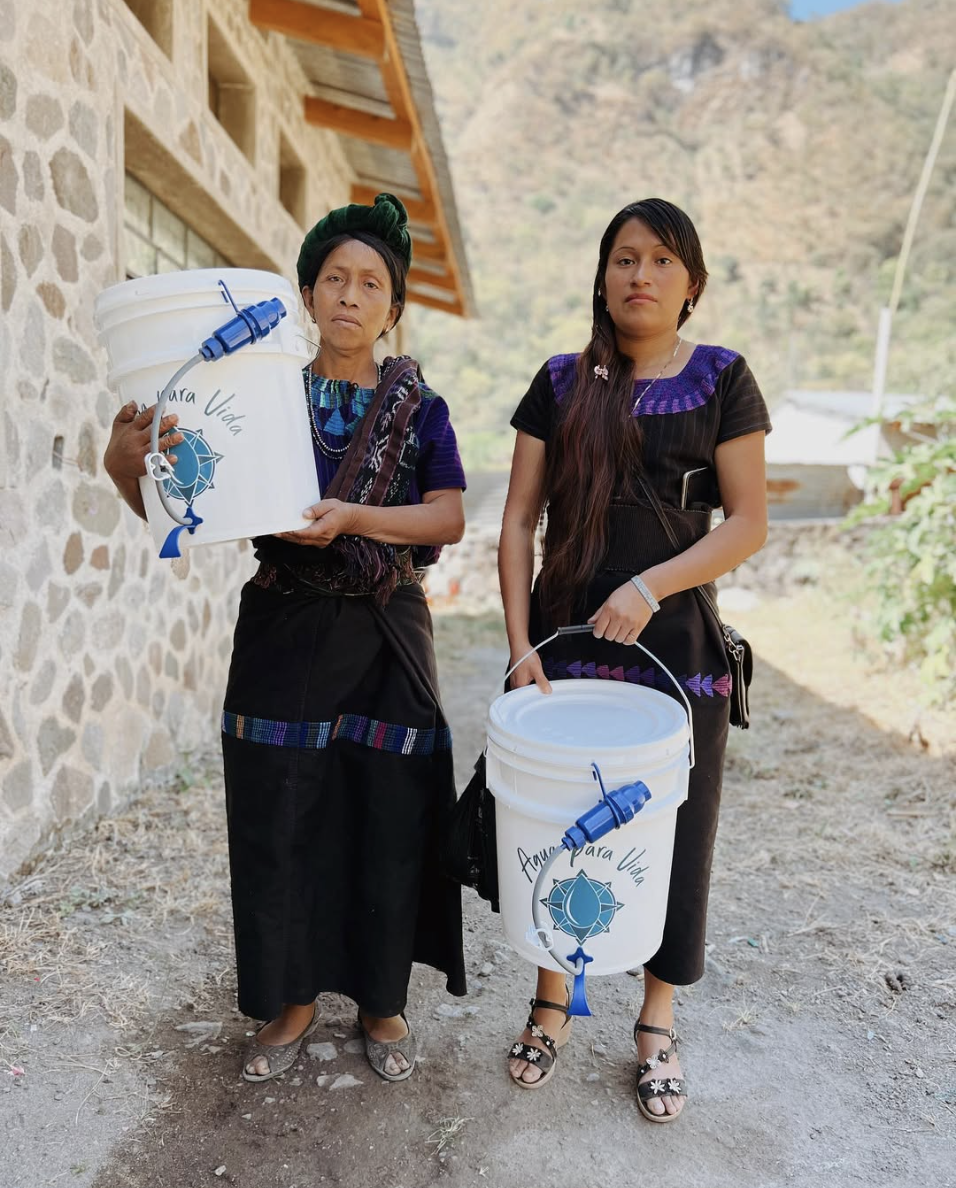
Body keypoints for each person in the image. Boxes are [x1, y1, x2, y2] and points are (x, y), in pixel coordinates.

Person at [104, 193, 468, 1084]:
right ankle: (293, 996)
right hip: (283, 628)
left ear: (394, 306)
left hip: (387, 632)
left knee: (386, 809)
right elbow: (187, 501)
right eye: (334, 278)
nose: (350, 294)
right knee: (282, 811)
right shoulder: (255, 394)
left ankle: (381, 1000)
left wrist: (356, 516)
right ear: (307, 296)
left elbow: (449, 517)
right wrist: (125, 459)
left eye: (370, 282)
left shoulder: (421, 411)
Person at [497, 198, 771, 1119]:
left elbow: (748, 524)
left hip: (677, 648)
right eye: (623, 258)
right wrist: (519, 645)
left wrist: (650, 586)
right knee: (554, 818)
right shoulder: (559, 380)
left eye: (659, 260)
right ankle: (551, 1002)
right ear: (602, 274)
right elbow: (515, 522)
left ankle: (655, 1022)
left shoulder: (725, 379)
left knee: (673, 831)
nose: (639, 275)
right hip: (567, 638)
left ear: (691, 283)